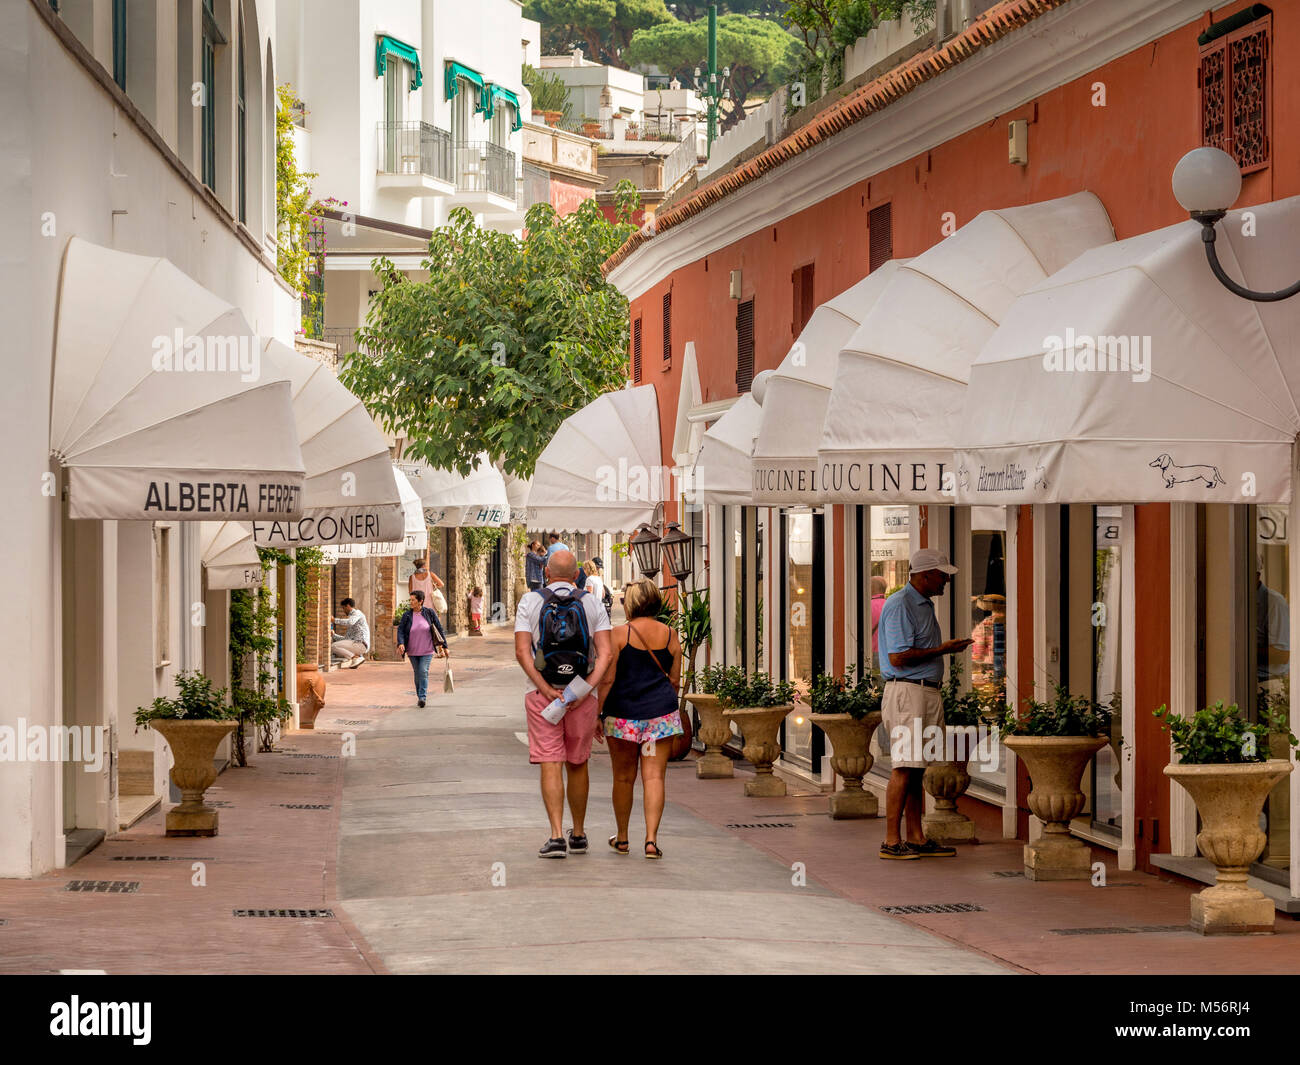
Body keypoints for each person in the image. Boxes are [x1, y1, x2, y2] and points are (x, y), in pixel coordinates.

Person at [515, 549, 613, 859]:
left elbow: (522, 652)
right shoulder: (592, 602)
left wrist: (544, 688)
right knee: (578, 762)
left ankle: (556, 836)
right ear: (576, 576)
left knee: (550, 762)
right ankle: (580, 834)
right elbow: (606, 654)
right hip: (581, 695)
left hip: (542, 696)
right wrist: (585, 690)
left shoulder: (530, 602)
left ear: (546, 573)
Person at [877, 549, 972, 861]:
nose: (946, 580)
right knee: (904, 767)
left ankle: (916, 837)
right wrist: (943, 649)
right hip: (908, 694)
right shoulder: (901, 604)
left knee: (917, 769)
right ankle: (892, 840)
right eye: (942, 574)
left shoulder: (922, 604)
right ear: (924, 574)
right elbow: (898, 657)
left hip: (924, 692)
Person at [595, 578, 683, 859]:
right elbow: (675, 682)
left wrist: (598, 713)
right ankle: (651, 840)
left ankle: (622, 839)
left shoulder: (618, 635)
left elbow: (607, 680)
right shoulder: (671, 636)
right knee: (654, 777)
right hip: (660, 717)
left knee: (623, 777)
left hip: (623, 717)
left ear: (630, 603)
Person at [396, 590, 448, 708]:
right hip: (412, 651)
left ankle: (422, 697)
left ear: (420, 601)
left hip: (427, 650)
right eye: (411, 600)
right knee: (417, 673)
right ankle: (420, 695)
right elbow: (401, 630)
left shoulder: (429, 613)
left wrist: (445, 646)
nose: (411, 602)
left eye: (413, 600)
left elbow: (439, 629)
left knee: (423, 671)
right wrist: (400, 643)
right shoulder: (407, 615)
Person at [330, 598, 370, 669]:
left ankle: (355, 658)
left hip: (360, 644)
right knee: (335, 646)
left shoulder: (357, 613)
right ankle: (357, 657)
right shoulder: (353, 621)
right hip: (358, 644)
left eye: (343, 608)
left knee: (333, 646)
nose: (343, 611)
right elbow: (346, 639)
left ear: (348, 606)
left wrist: (334, 620)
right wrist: (334, 635)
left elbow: (350, 622)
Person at [869, 575, 888, 657]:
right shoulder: (890, 605)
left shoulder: (867, 607)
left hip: (872, 651)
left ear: (872, 589)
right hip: (889, 652)